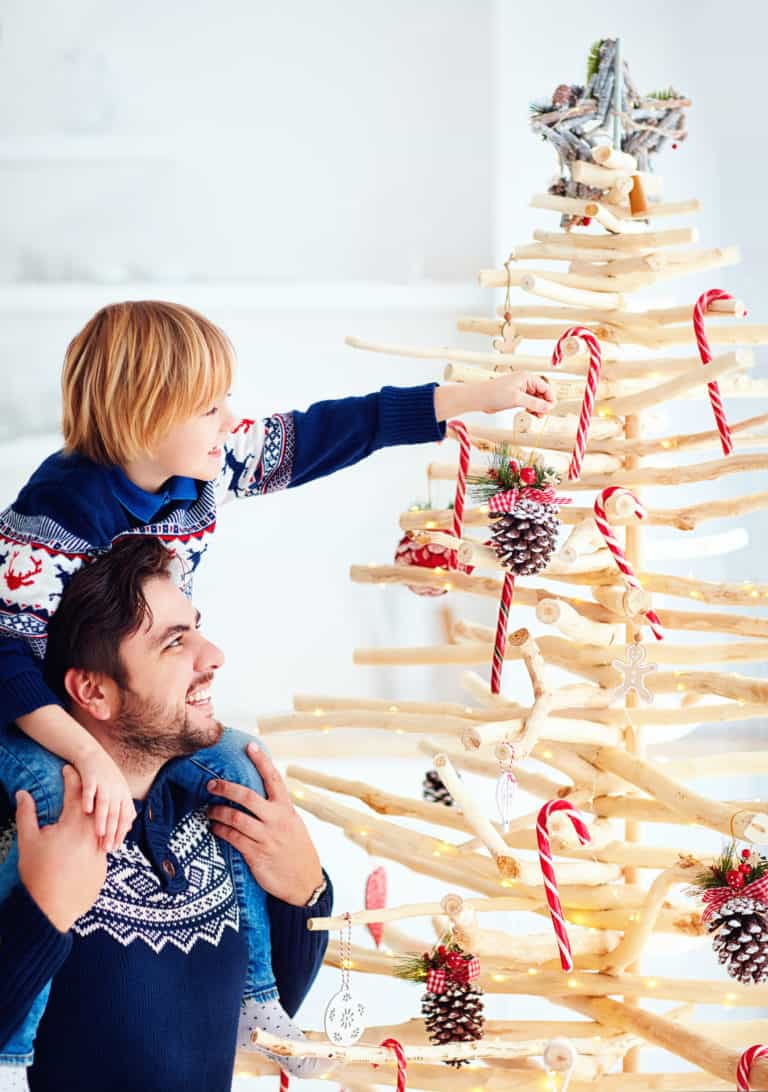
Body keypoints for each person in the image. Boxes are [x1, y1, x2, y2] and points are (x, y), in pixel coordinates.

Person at [0, 299, 555, 1069]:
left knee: (240, 769)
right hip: (32, 717)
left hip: (119, 725)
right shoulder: (55, 518)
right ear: (142, 415)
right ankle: (13, 1042)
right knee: (54, 806)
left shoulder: (208, 462)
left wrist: (466, 401)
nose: (231, 420)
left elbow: (333, 429)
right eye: (209, 406)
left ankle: (257, 1000)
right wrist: (86, 760)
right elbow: (7, 662)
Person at [0, 535, 334, 1092]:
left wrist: (306, 891)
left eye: (196, 627)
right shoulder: (21, 822)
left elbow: (259, 1019)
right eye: (175, 643)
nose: (214, 656)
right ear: (93, 690)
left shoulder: (215, 810)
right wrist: (43, 915)